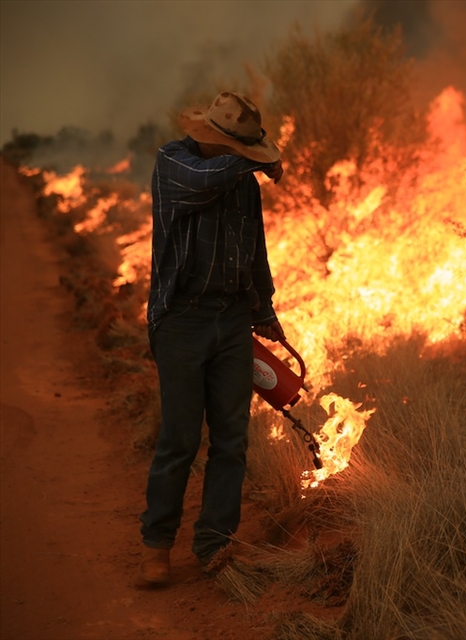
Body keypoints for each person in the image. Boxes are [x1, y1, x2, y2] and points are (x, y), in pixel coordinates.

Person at [138, 92, 286, 585]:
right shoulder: (175, 162)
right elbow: (204, 180)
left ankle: (214, 546)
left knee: (231, 441)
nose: (236, 158)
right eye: (233, 149)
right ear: (211, 138)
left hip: (231, 321)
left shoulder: (243, 182)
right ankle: (156, 545)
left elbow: (253, 247)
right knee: (179, 439)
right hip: (181, 320)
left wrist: (264, 308)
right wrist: (255, 161)